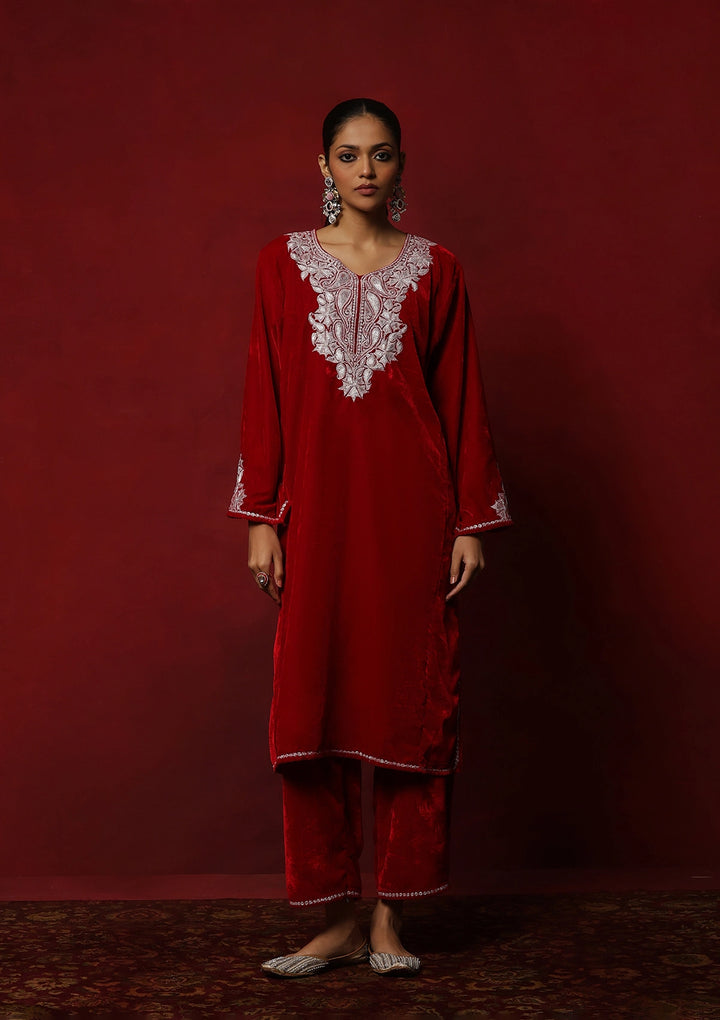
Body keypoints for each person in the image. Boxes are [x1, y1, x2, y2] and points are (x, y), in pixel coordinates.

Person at [228, 98, 512, 977]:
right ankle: (334, 920)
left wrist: (470, 522)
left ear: (401, 167)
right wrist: (262, 518)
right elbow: (266, 392)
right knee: (310, 710)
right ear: (323, 165)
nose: (365, 170)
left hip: (410, 515)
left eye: (381, 155)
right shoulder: (282, 264)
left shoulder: (438, 269)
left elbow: (461, 398)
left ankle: (390, 919)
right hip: (316, 514)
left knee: (409, 707)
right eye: (348, 155)